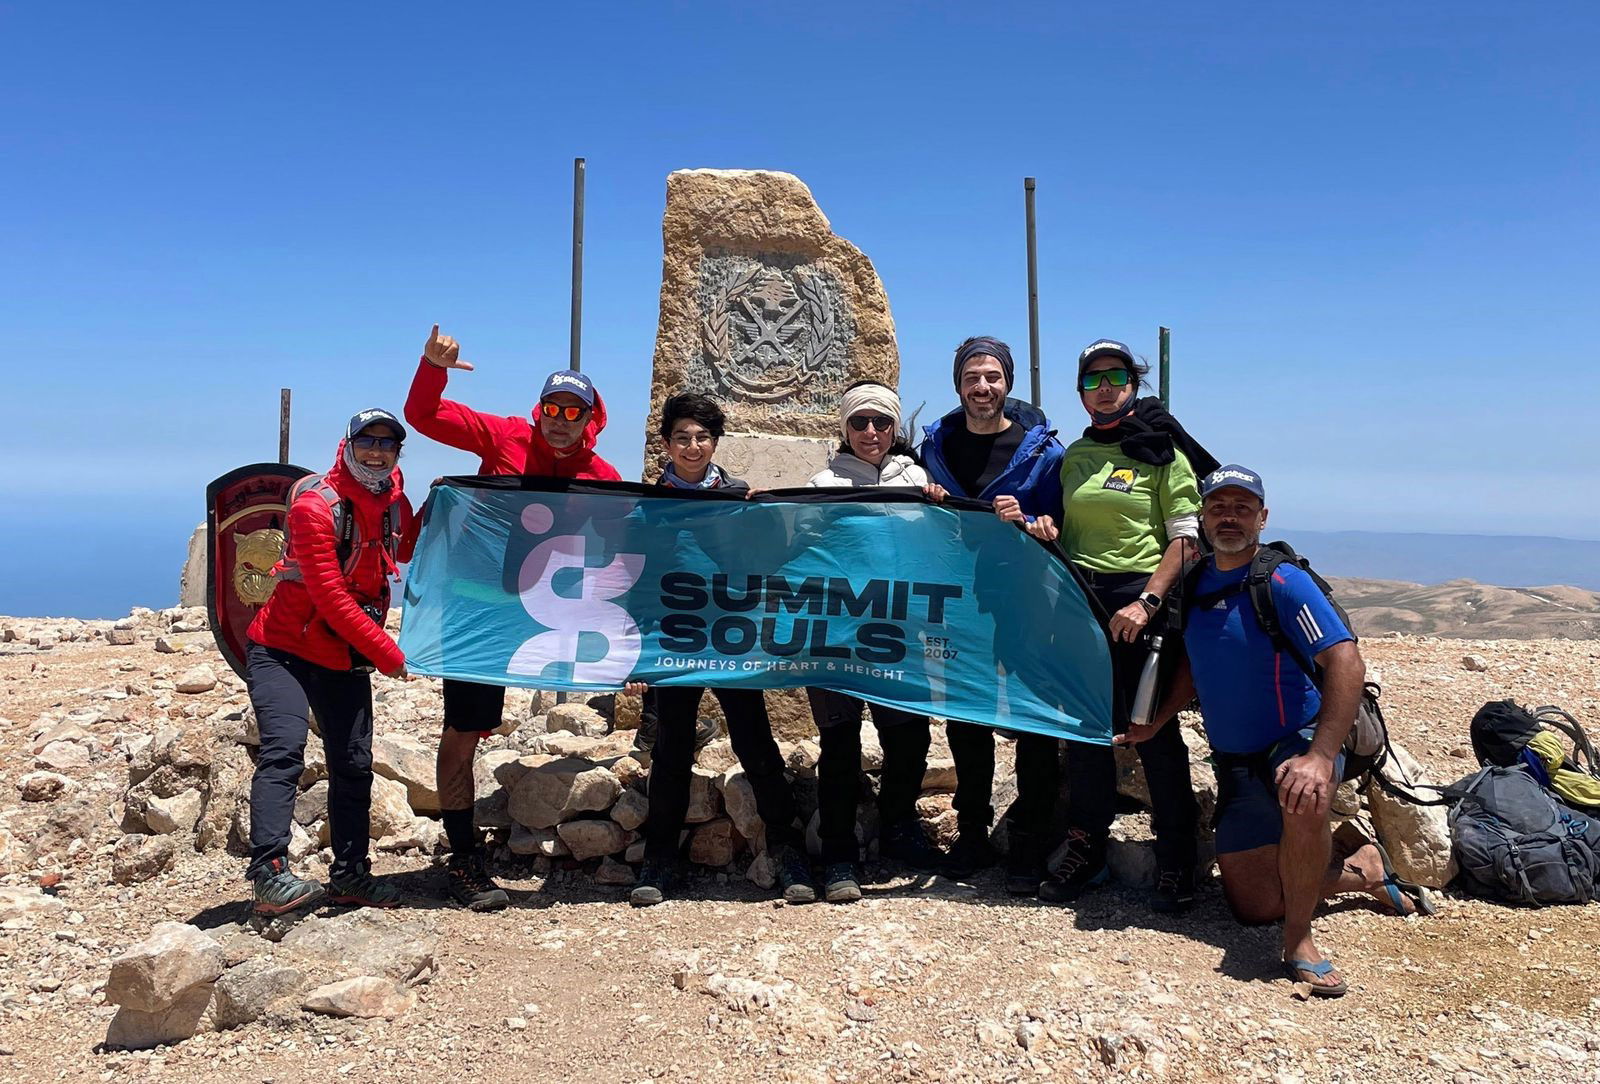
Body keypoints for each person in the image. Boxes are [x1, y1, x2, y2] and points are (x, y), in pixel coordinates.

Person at [1119, 465, 1428, 996]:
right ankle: (1362, 868)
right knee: (1252, 906)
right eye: (1218, 507)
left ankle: (1300, 941)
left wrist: (1319, 753)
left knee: (1302, 791)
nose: (1229, 517)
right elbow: (1196, 664)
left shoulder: (1282, 580)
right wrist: (1157, 723)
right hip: (1236, 755)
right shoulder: (1194, 584)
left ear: (1261, 517)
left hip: (1297, 736)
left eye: (1242, 508)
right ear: (1202, 516)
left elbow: (1345, 662)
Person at [404, 324, 622, 910]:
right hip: (477, 611)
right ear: (539, 409)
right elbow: (423, 415)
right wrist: (433, 365)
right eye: (551, 406)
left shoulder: (602, 478)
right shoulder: (502, 435)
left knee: (489, 728)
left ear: (590, 419)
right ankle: (464, 859)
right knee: (464, 732)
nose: (558, 418)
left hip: (548, 619)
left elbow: (634, 541)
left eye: (572, 411)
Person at [1023, 339, 1202, 912]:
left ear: (1133, 382)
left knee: (1154, 732)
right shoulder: (1073, 455)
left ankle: (1178, 858)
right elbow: (1058, 519)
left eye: (1115, 376)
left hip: (1140, 602)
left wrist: (1147, 602)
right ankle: (1088, 849)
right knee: (1086, 731)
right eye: (1093, 379)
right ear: (1079, 392)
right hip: (1080, 602)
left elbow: (1184, 538)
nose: (1104, 386)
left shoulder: (1162, 452)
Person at [627, 394, 815, 907]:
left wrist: (766, 516)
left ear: (715, 442)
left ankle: (785, 848)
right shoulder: (648, 506)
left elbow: (771, 558)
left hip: (734, 639)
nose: (693, 446)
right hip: (675, 641)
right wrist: (636, 654)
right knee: (670, 748)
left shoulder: (739, 497)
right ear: (667, 442)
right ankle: (659, 857)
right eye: (683, 436)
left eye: (703, 437)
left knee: (755, 741)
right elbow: (636, 583)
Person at [243, 409, 414, 916]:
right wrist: (390, 654)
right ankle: (269, 875)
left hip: (342, 653)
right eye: (368, 441)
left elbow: (409, 547)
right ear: (348, 445)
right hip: (283, 650)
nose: (378, 451)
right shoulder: (317, 507)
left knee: (354, 763)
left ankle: (350, 876)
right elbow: (331, 596)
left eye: (388, 444)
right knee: (283, 752)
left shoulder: (391, 500)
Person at [918, 336, 1067, 891]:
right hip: (957, 599)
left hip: (1025, 598)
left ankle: (1029, 843)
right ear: (958, 385)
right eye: (971, 378)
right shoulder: (934, 448)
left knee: (1031, 719)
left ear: (1007, 383)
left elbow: (1060, 526)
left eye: (992, 377)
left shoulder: (1042, 452)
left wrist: (1031, 520)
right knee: (966, 718)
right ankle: (972, 835)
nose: (983, 387)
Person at [806, 381, 946, 903]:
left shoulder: (918, 480)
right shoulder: (820, 483)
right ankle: (839, 854)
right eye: (860, 422)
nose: (870, 432)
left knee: (908, 737)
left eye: (881, 423)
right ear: (844, 427)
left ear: (894, 428)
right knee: (839, 742)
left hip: (899, 630)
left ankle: (899, 829)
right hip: (838, 630)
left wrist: (939, 505)